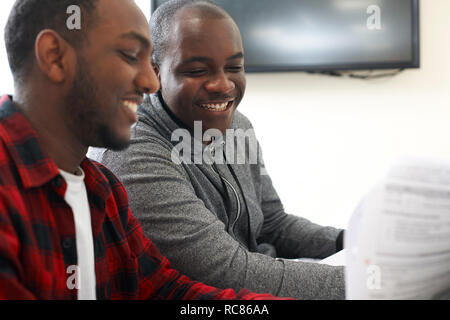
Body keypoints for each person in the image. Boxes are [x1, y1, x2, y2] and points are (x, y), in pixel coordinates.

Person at [0, 0, 288, 300]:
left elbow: (168, 291)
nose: (152, 83)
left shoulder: (102, 189)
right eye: (129, 55)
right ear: (55, 57)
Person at [89, 0, 345, 300]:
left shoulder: (237, 126)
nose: (223, 85)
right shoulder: (132, 151)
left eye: (234, 67)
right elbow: (226, 272)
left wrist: (350, 242)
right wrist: (367, 281)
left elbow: (273, 224)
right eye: (197, 70)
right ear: (155, 73)